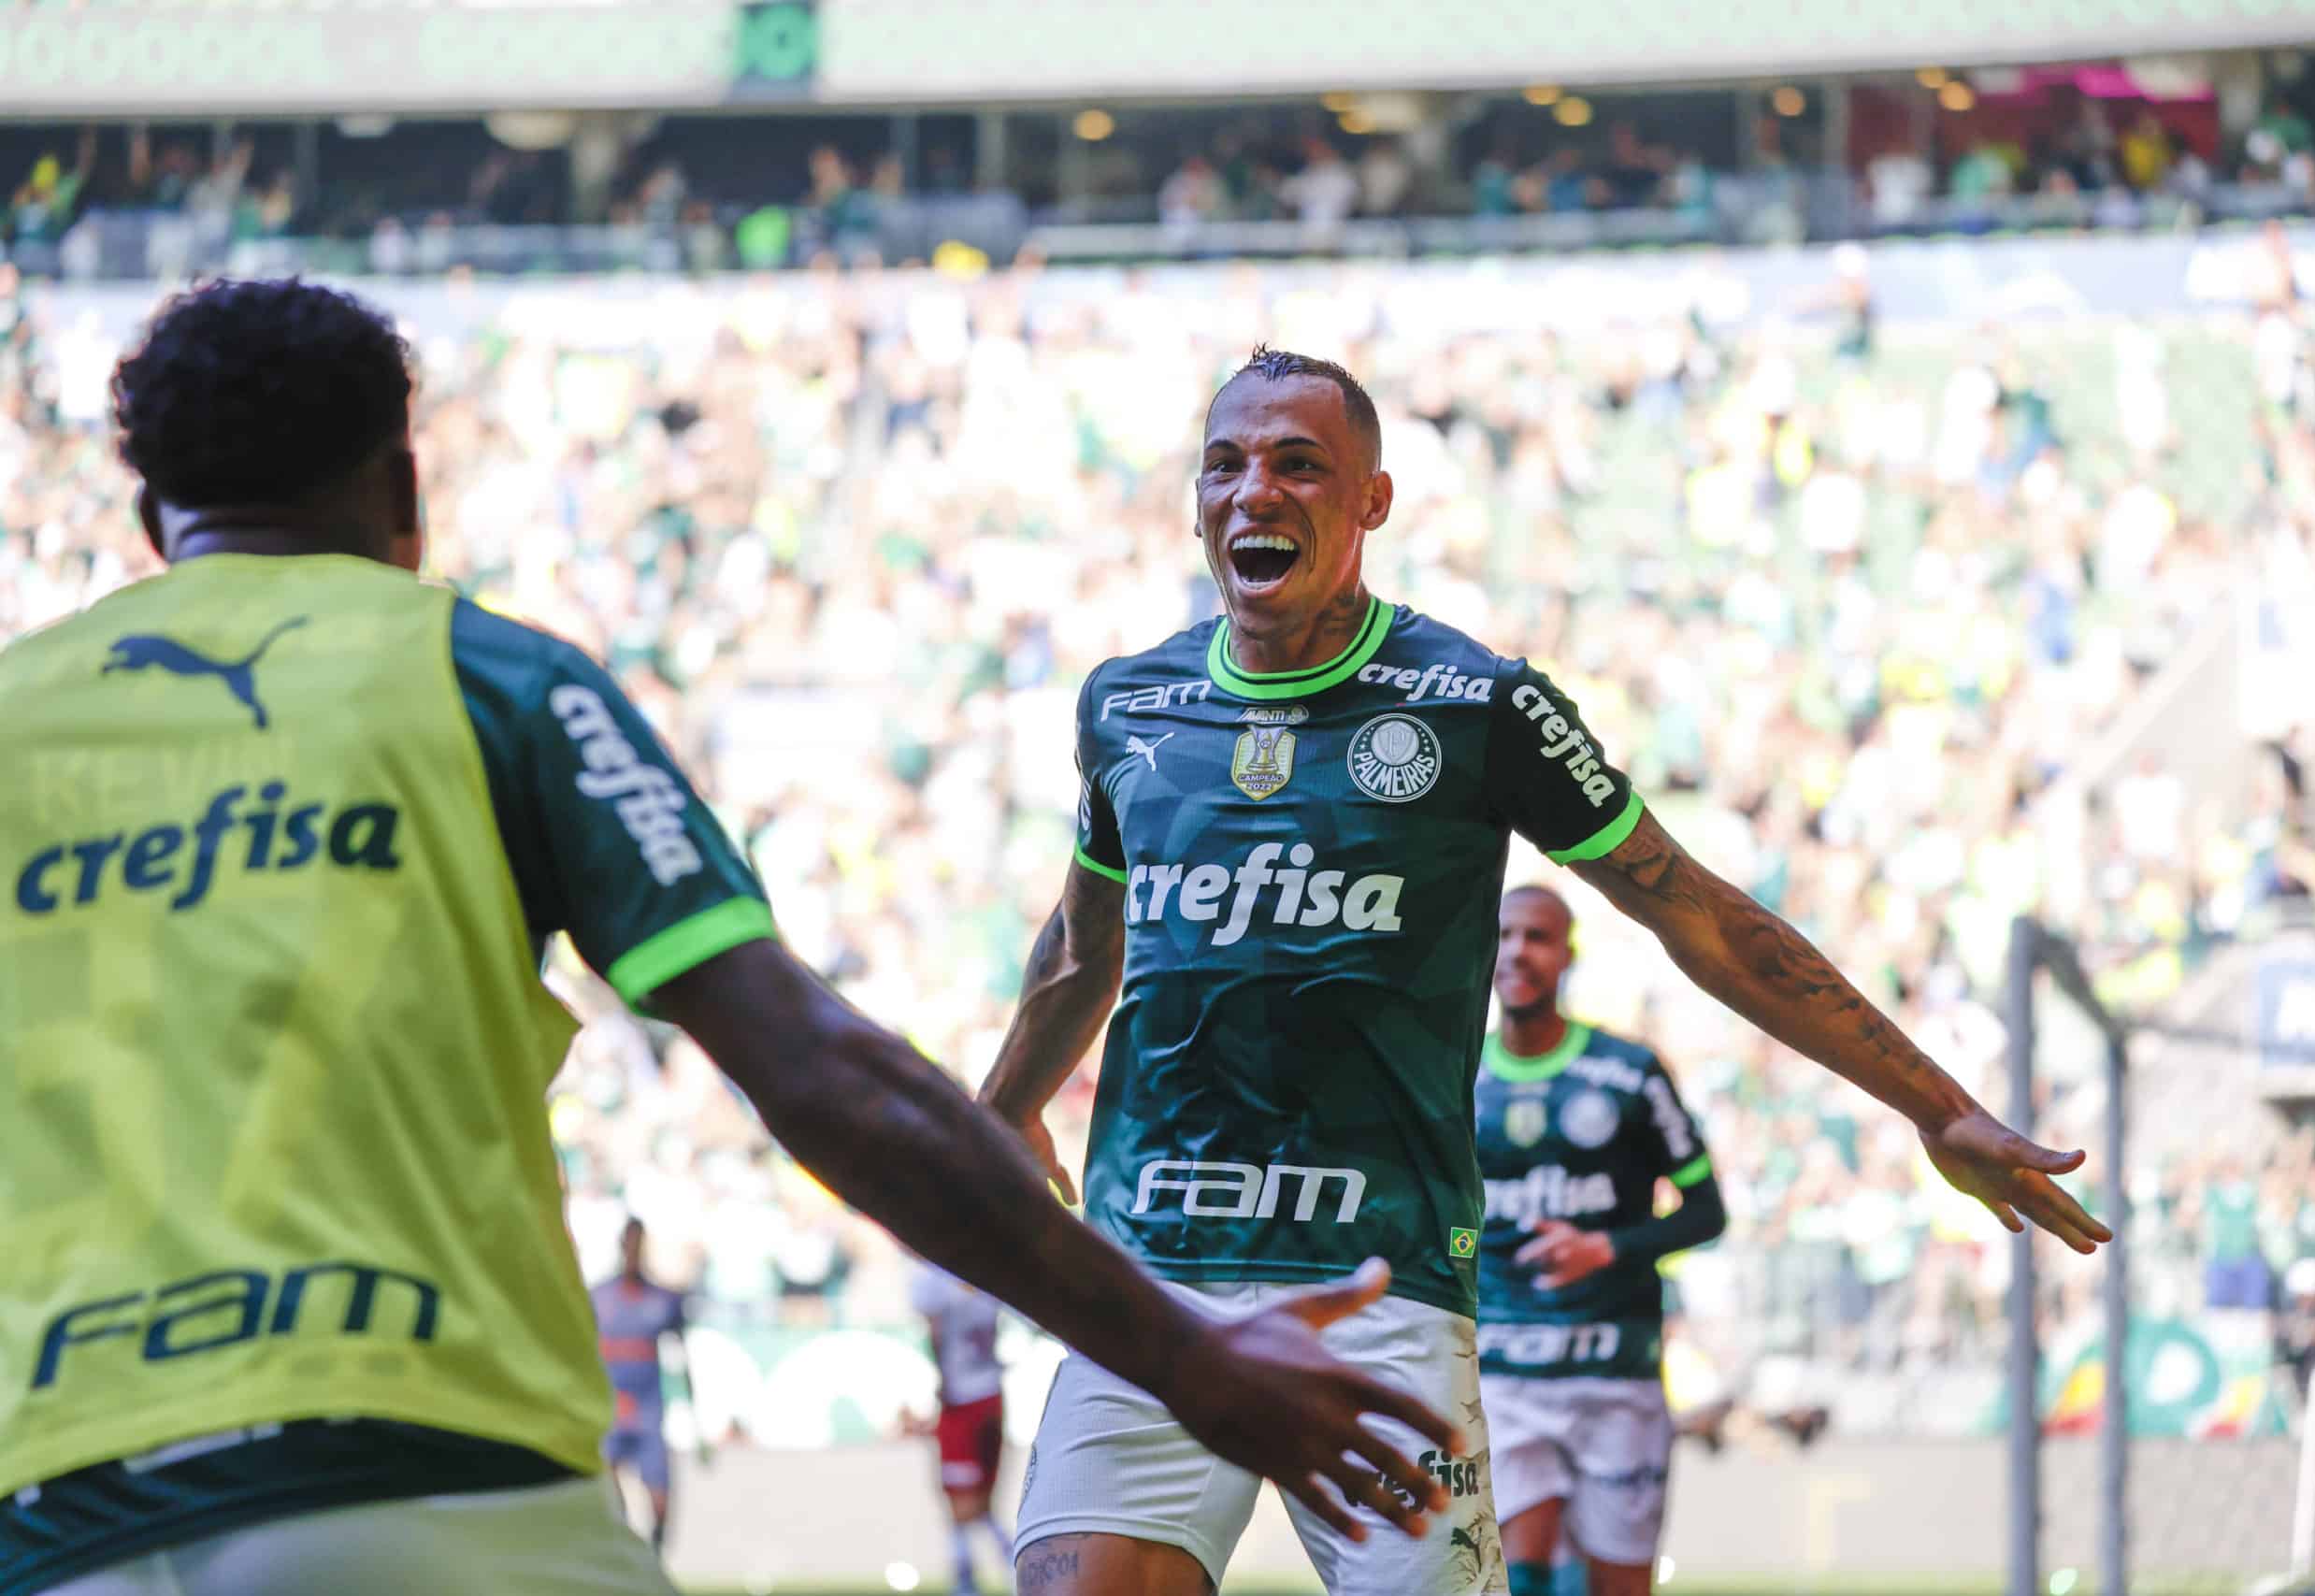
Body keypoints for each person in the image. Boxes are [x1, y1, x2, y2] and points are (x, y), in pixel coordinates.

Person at [0, 280, 1466, 1596]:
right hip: (419, 1463)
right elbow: (811, 1062)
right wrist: (1181, 1349)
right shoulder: (492, 684)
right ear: (405, 494)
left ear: (148, 522)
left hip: (46, 1498)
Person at [981, 346, 2110, 1596]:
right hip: (1151, 1272)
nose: (1256, 491)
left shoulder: (1480, 704)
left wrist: (1933, 1100)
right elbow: (1088, 944)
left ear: (1373, 500)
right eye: (1226, 465)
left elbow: (1701, 914)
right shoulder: (1128, 704)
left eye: (1301, 464)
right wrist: (999, 1106)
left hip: (1380, 1283)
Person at [1474, 884, 1726, 1596]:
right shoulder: (1459, 1075)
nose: (1519, 950)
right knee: (1517, 1572)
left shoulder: (1629, 1075)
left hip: (1617, 1374)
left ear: (1567, 957)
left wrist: (1607, 1248)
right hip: (1506, 1373)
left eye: (1538, 936)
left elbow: (1706, 1212)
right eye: (1506, 934)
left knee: (1619, 1583)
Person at [589, 1219, 697, 1554]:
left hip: (649, 1412)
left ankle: (655, 1557)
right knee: (611, 1500)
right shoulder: (597, 1297)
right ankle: (624, 1564)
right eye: (629, 1244)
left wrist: (695, 1409)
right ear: (621, 1247)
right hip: (610, 1409)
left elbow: (681, 1356)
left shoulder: (664, 1300)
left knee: (660, 1502)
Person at [909, 1261, 1015, 1596]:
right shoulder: (985, 1275)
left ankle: (968, 1580)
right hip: (992, 1392)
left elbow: (937, 1334)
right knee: (980, 1501)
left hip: (963, 1398)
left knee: (960, 1502)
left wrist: (943, 1384)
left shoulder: (932, 1280)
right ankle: (1009, 1569)